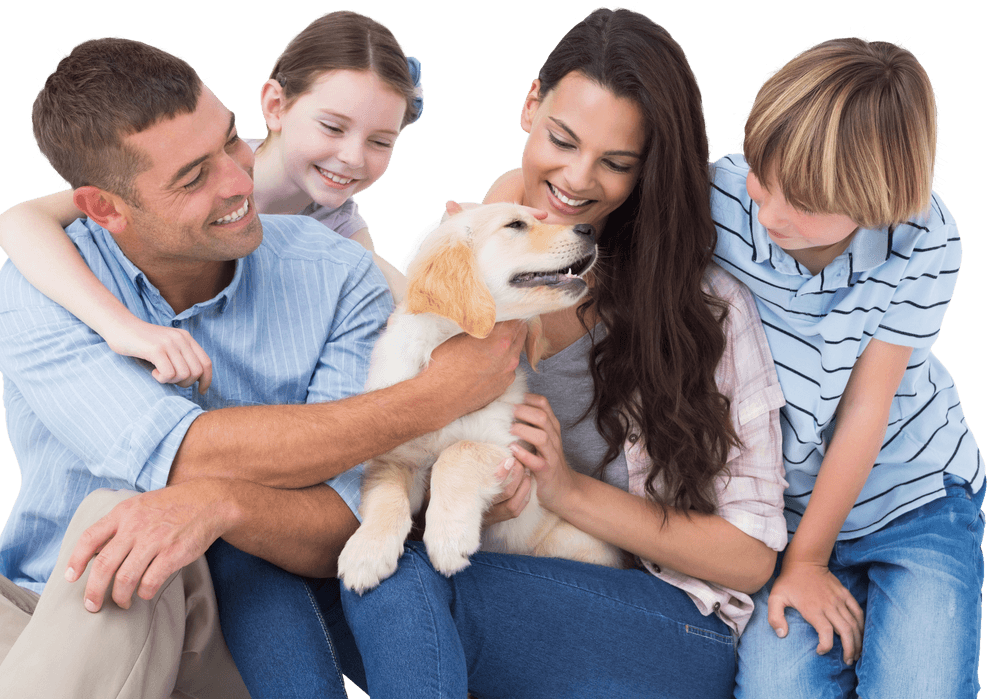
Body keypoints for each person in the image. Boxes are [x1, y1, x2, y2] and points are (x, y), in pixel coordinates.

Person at [0, 35, 525, 699]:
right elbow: (188, 455)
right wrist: (434, 396)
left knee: (128, 517)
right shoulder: (45, 287)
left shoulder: (340, 276)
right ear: (105, 208)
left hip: (206, 620)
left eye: (233, 141)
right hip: (38, 613)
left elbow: (343, 522)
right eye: (193, 176)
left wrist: (219, 503)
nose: (240, 180)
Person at [330, 8, 789, 698]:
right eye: (563, 140)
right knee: (313, 569)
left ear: (646, 170)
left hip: (668, 621)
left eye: (616, 163)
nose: (576, 180)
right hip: (521, 577)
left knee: (403, 585)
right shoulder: (484, 248)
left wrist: (567, 490)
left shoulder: (706, 309)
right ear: (529, 105)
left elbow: (750, 557)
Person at [709, 37, 984, 698]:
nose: (770, 211)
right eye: (762, 176)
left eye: (801, 202)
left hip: (913, 497)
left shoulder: (924, 238)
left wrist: (807, 561)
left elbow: (867, 407)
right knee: (777, 687)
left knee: (919, 683)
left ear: (876, 201)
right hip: (788, 511)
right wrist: (796, 556)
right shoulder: (717, 198)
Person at [0, 10, 416, 401]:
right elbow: (19, 220)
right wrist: (120, 327)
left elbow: (406, 304)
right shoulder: (196, 159)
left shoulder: (346, 243)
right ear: (274, 106)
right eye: (332, 127)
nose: (354, 157)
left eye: (381, 141)